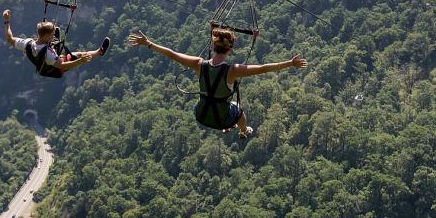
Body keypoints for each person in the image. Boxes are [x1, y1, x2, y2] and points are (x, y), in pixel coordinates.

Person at [128, 28, 307, 138]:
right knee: (240, 111)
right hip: (221, 118)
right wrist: (290, 63)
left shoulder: (199, 64)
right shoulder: (232, 70)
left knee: (215, 102)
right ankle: (244, 131)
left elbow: (172, 54)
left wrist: (149, 43)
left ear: (213, 48)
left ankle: (230, 125)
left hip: (201, 115)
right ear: (230, 49)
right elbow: (264, 68)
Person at [3, 9, 110, 78]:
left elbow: (9, 38)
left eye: (54, 34)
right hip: (54, 70)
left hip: (45, 61)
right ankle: (99, 52)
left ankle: (55, 44)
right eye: (52, 34)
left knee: (56, 47)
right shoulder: (49, 54)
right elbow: (62, 66)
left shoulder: (27, 43)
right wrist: (80, 61)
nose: (53, 35)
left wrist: (7, 21)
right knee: (77, 55)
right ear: (45, 36)